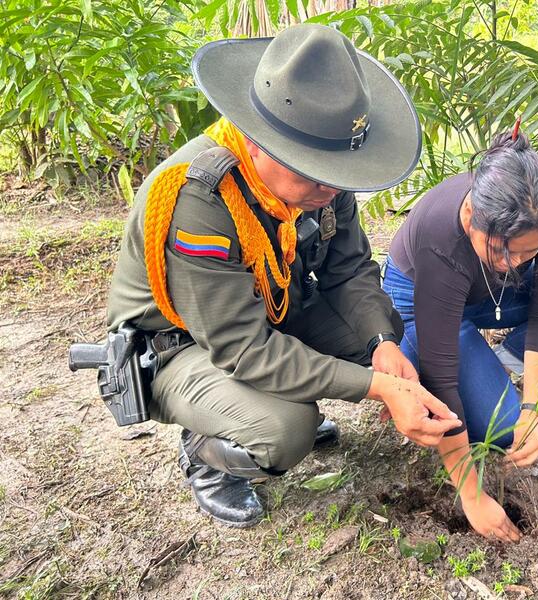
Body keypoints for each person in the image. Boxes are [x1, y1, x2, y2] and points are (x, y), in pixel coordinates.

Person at [105, 24, 461, 528]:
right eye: (310, 171)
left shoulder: (327, 169)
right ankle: (206, 451)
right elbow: (243, 348)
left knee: (389, 344)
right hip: (182, 342)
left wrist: (381, 346)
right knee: (288, 430)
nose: (329, 188)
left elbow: (350, 270)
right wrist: (375, 388)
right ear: (258, 141)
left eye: (334, 172)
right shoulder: (199, 199)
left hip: (276, 305)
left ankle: (278, 394)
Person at [382, 125, 538, 541]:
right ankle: (418, 346)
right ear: (471, 215)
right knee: (500, 427)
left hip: (491, 294)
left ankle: (498, 360)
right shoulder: (442, 235)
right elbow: (444, 378)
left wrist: (532, 410)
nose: (515, 262)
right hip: (422, 290)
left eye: (530, 251)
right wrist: (471, 496)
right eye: (503, 250)